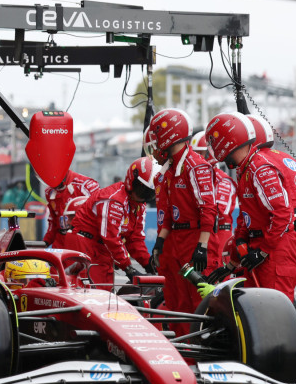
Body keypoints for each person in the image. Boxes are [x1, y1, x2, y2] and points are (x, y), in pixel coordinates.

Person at [205, 111, 296, 351]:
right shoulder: (282, 158)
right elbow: (248, 221)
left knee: (275, 303)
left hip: (289, 233)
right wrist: (233, 263)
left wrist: (263, 250)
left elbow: (280, 212)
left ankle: (281, 365)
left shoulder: (256, 164)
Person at [148, 109, 216, 336]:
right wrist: (159, 243)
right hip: (174, 243)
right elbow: (167, 213)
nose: (155, 143)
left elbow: (208, 208)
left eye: (157, 136)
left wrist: (202, 246)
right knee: (175, 302)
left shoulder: (196, 166)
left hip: (192, 241)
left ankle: (200, 355)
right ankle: (183, 357)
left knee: (196, 303)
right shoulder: (168, 171)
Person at [70, 157, 157, 286]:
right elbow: (110, 237)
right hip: (85, 246)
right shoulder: (114, 200)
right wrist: (127, 267)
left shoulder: (139, 205)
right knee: (92, 293)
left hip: (103, 249)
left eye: (149, 193)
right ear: (131, 181)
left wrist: (147, 263)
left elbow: (135, 239)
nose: (144, 195)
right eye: (141, 189)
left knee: (106, 291)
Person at [191, 131, 237, 275]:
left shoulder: (224, 180)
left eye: (201, 153)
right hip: (203, 235)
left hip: (221, 236)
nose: (197, 157)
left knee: (219, 282)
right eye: (195, 153)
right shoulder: (194, 176)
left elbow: (219, 210)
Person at [42, 170, 99, 248]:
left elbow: (100, 217)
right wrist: (45, 243)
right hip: (60, 245)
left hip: (84, 244)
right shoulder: (49, 192)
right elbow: (53, 223)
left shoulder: (86, 185)